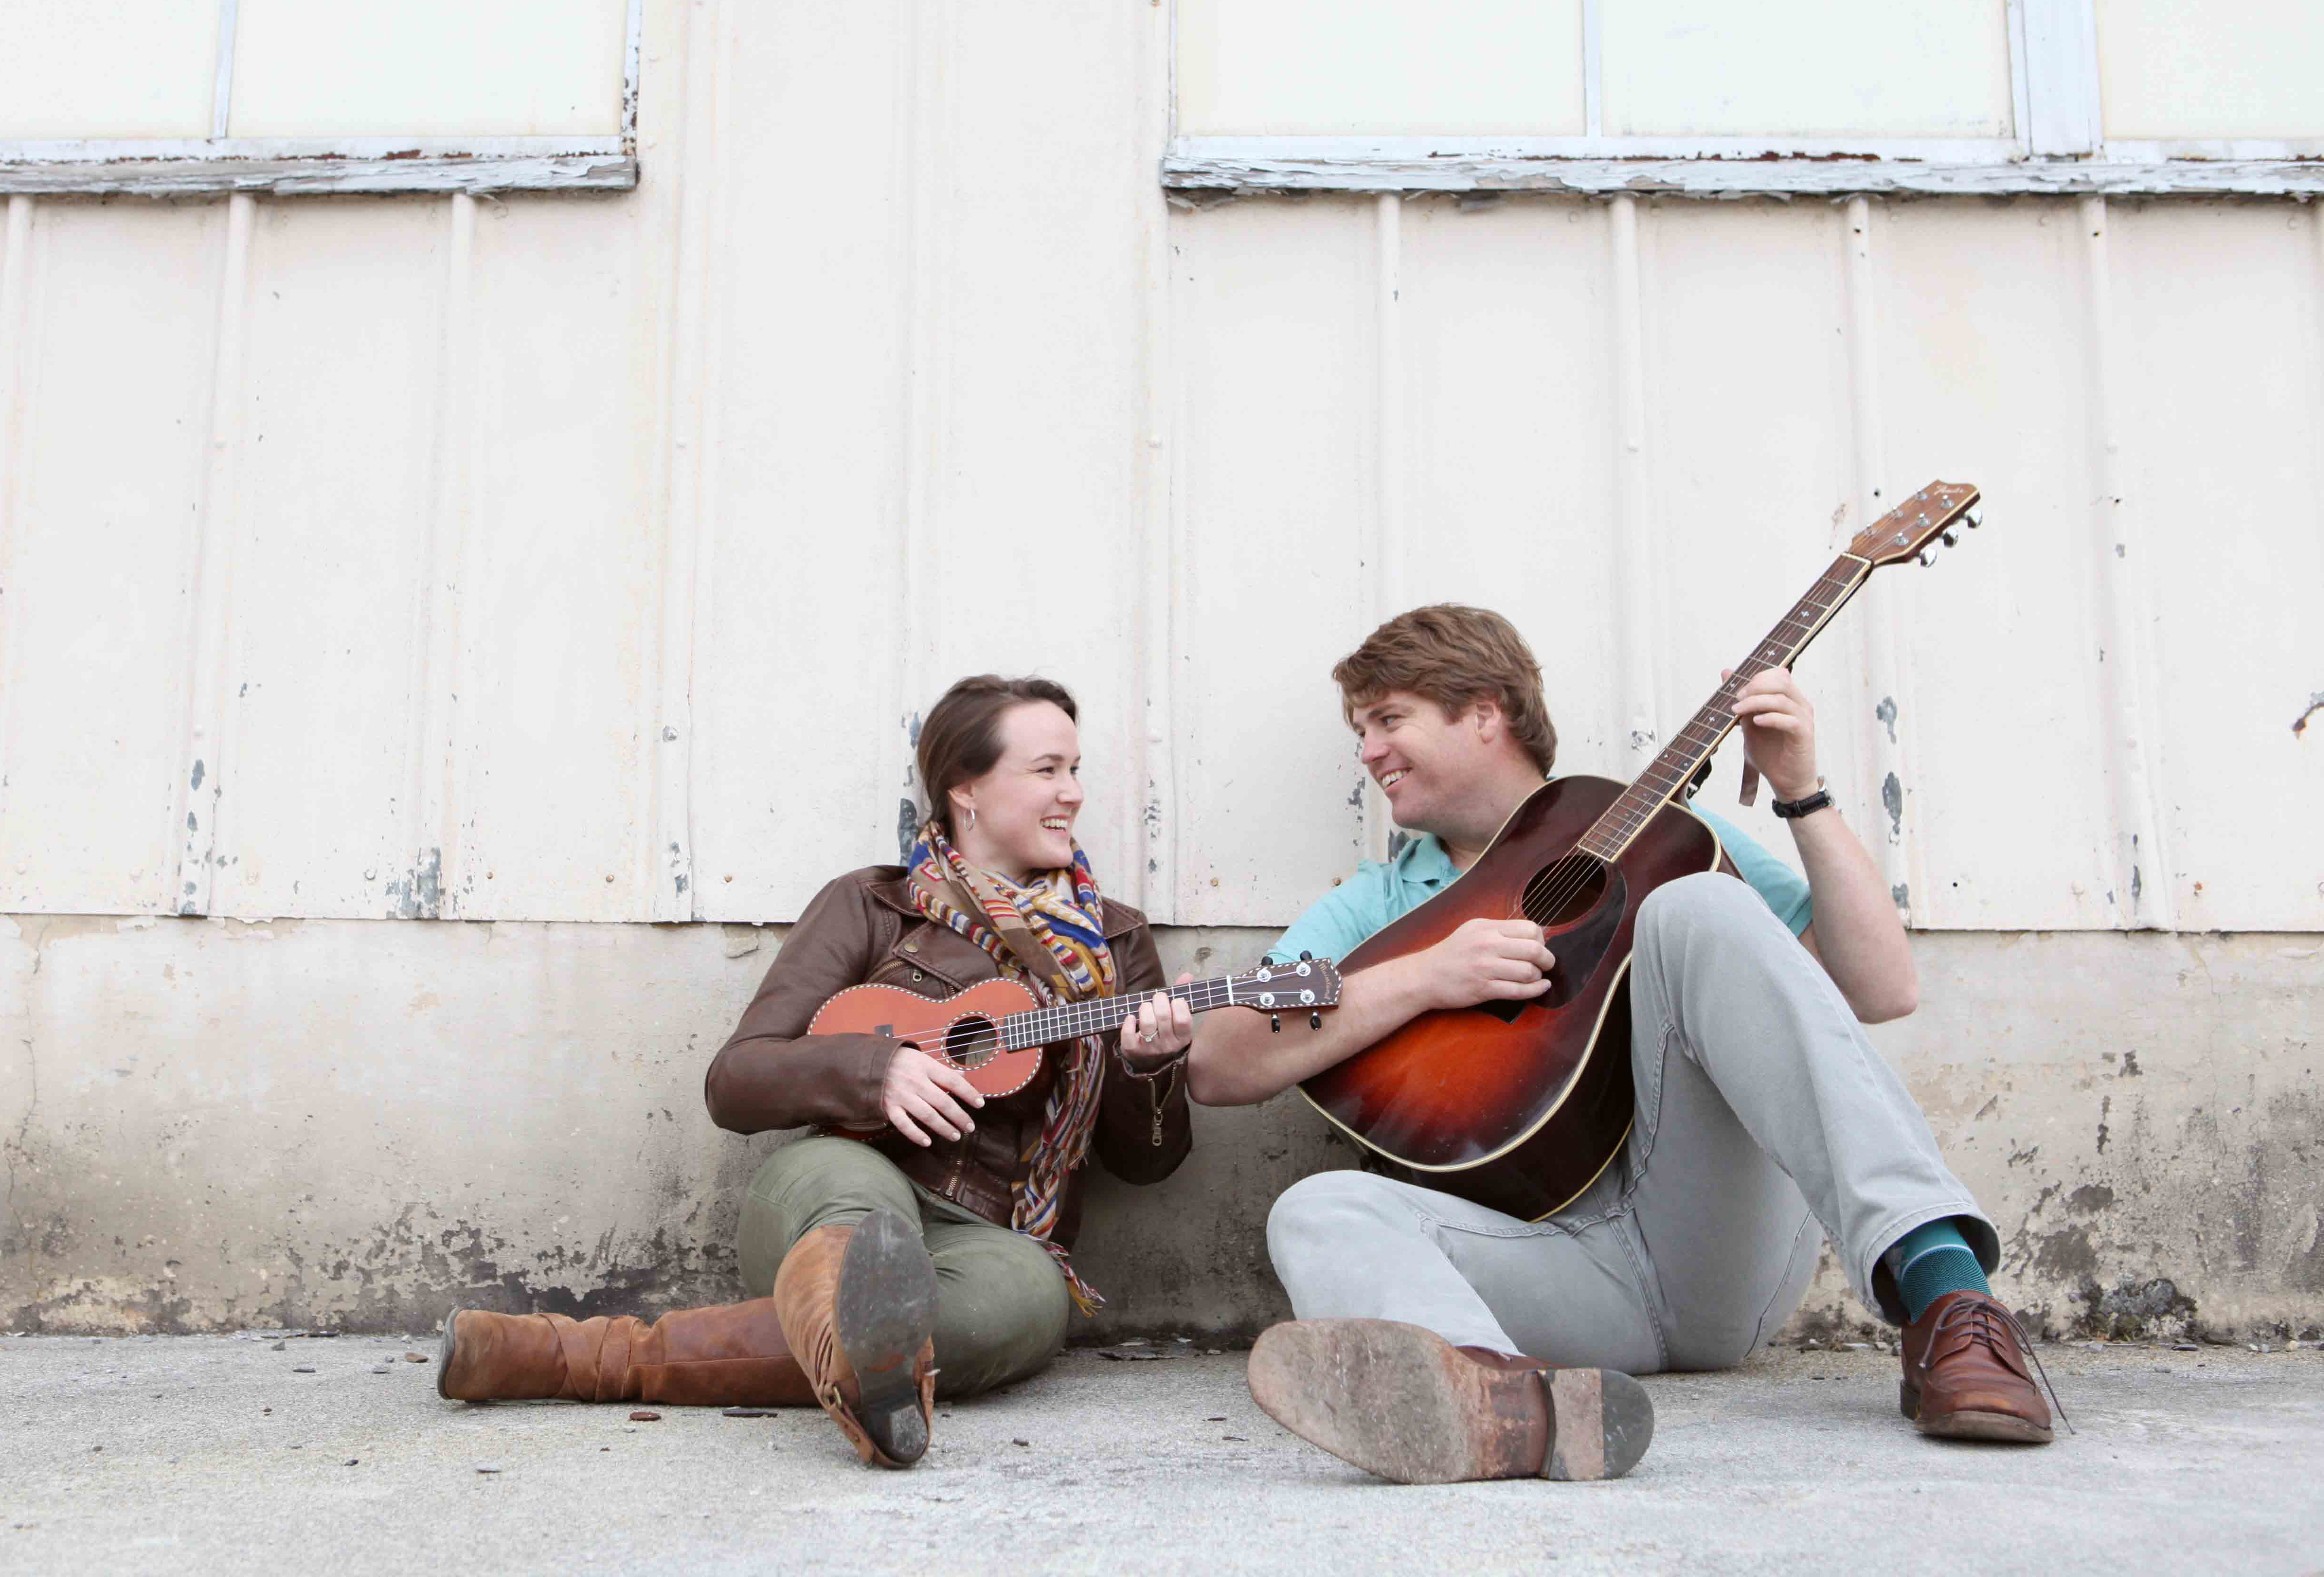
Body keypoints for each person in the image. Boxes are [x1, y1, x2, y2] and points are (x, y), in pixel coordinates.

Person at [1185, 605, 2056, 1486]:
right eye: (1360, 732)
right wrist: (1428, 975)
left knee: (1698, 905)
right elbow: (1219, 1063)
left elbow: (1883, 990)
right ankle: (1502, 1406)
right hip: (1550, 1276)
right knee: (1317, 1208)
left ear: (1483, 713)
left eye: (1388, 720)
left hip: (1708, 1240)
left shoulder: (1662, 836)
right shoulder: (1380, 904)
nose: (1368, 752)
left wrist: (1802, 793)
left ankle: (1946, 1293)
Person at [434, 674, 1194, 1468]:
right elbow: (737, 1081)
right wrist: (876, 1071)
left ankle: (564, 1356)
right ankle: (601, 1359)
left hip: (993, 1237)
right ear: (965, 790)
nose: (1073, 793)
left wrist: (1149, 1067)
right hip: (836, 1187)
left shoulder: (1115, 942)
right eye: (1047, 770)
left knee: (1030, 1301)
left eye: (1075, 770)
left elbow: (1148, 1164)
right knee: (858, 1220)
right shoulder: (872, 906)